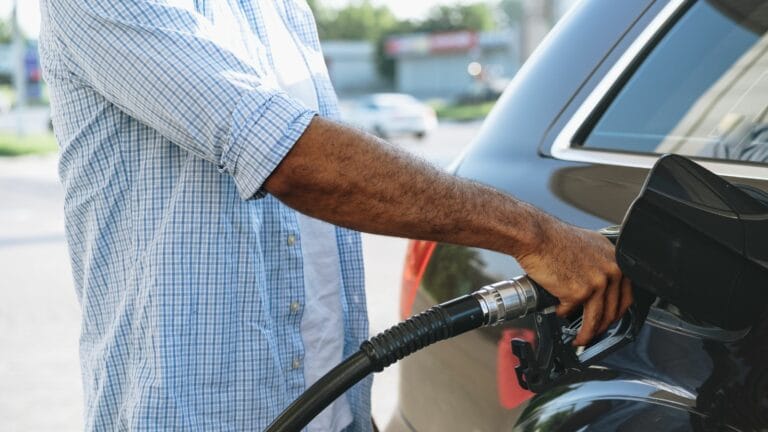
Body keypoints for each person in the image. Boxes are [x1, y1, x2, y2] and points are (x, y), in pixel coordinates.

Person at [39, 1, 632, 430]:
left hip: (331, 413)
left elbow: (313, 246)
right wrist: (534, 234)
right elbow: (293, 159)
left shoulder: (279, 13)